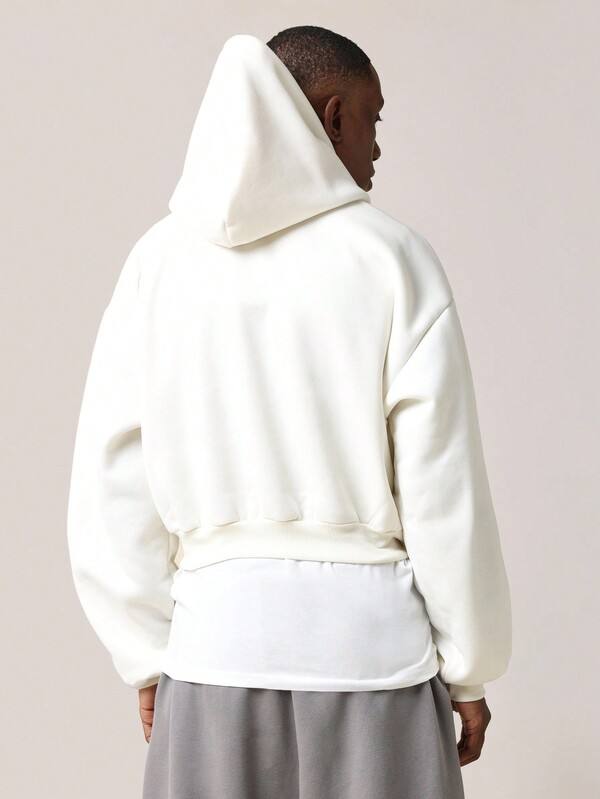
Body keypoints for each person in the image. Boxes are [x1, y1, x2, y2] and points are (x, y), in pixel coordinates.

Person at [66, 26, 512, 799]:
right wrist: (469, 666)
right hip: (375, 662)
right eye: (372, 117)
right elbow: (443, 488)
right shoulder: (391, 258)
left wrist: (146, 649)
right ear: (332, 115)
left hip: (213, 658)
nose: (377, 146)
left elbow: (112, 476)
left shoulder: (158, 264)